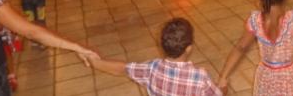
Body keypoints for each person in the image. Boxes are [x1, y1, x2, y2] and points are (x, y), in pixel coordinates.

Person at [218, 0, 293, 95]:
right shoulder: (291, 21)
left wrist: (223, 77)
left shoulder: (256, 21)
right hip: (288, 77)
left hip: (266, 75)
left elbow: (240, 48)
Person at [88, 18, 222, 96]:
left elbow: (122, 68)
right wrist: (223, 87)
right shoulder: (199, 77)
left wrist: (95, 62)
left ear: (162, 45)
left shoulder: (151, 68)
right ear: (189, 48)